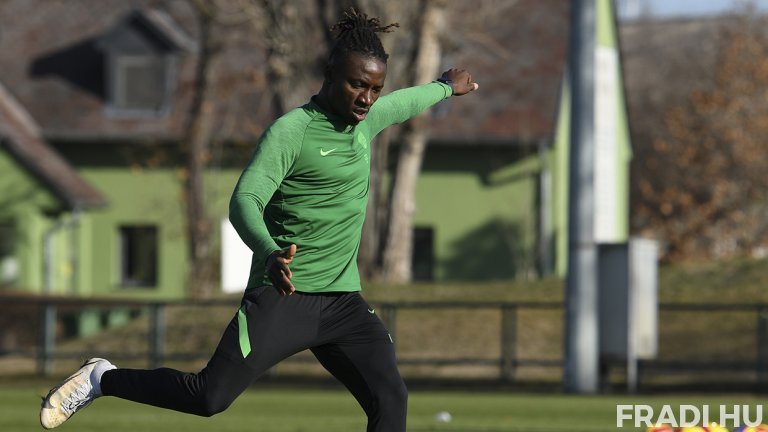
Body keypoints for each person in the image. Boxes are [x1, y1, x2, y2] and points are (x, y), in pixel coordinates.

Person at [40, 8, 477, 432]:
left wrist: (444, 87)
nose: (366, 98)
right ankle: (103, 378)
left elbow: (404, 102)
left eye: (375, 88)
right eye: (357, 85)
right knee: (208, 398)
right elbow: (245, 200)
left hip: (343, 301)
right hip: (284, 294)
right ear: (329, 75)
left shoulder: (366, 119)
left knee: (391, 397)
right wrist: (269, 252)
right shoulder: (291, 132)